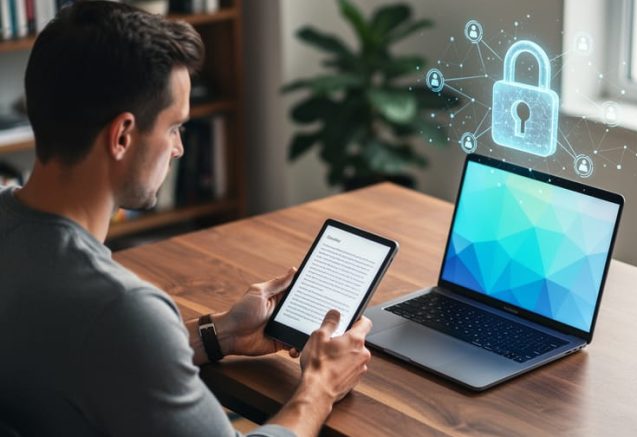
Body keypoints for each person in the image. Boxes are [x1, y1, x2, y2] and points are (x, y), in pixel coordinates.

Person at [0, 2, 371, 436]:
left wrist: (222, 333)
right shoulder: (119, 309)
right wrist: (320, 386)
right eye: (174, 127)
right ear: (122, 136)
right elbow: (117, 334)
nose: (178, 149)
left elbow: (88, 353)